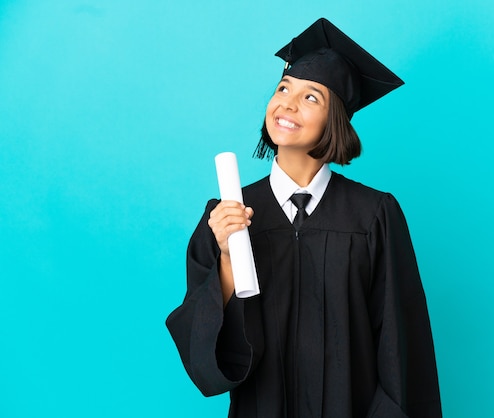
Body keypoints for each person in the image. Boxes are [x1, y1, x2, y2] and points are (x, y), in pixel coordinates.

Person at [166, 18, 442, 418]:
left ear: (336, 120)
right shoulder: (226, 215)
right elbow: (204, 361)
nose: (287, 104)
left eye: (311, 97)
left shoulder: (373, 215)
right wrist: (227, 259)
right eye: (283, 89)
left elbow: (401, 348)